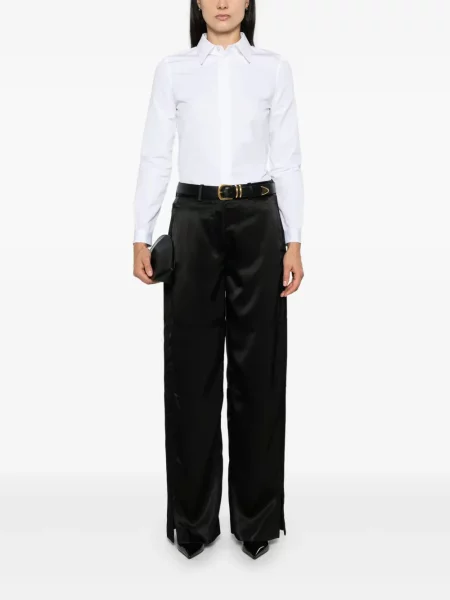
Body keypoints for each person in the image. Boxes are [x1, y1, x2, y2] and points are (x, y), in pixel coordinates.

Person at [132, 0, 305, 560]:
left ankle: (257, 521)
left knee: (260, 374)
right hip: (193, 220)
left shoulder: (273, 69)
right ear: (198, 2)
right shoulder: (174, 70)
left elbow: (288, 158)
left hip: (258, 219)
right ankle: (193, 521)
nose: (223, 2)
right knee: (191, 371)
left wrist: (294, 240)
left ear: (249, 2)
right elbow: (156, 154)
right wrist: (140, 232)